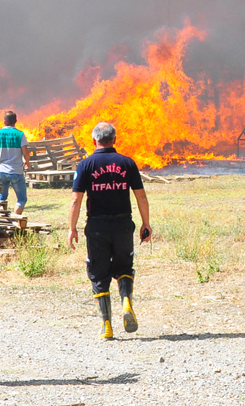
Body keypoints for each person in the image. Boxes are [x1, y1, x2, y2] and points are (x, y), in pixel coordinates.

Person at [67, 122, 151, 340]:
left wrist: (72, 228)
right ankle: (126, 303)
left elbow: (76, 201)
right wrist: (146, 223)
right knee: (125, 267)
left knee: (98, 274)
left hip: (97, 227)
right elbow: (140, 196)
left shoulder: (85, 165)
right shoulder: (127, 163)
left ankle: (106, 326)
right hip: (123, 225)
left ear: (94, 141)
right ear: (115, 140)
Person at [0, 111, 30, 215]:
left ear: (4, 122)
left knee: (1, 197)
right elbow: (26, 153)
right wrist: (27, 162)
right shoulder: (20, 134)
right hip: (16, 171)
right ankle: (16, 219)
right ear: (16, 122)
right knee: (21, 198)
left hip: (1, 171)